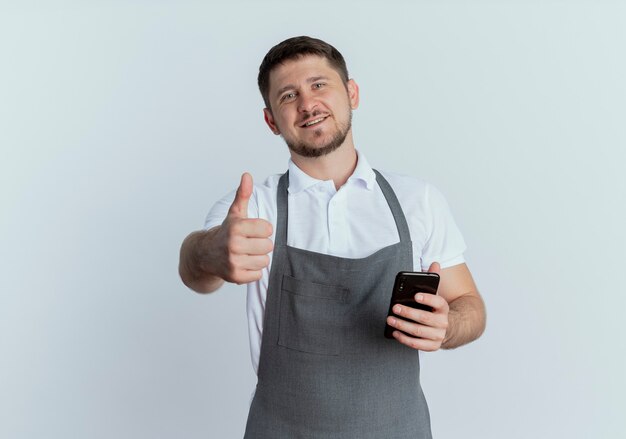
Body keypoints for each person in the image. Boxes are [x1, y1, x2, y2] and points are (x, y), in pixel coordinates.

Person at [179, 36, 486, 439]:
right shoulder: (256, 206)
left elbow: (470, 307)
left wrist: (447, 327)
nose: (308, 104)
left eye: (319, 85)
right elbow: (194, 269)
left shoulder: (417, 200)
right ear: (272, 120)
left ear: (352, 93)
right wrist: (209, 254)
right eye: (289, 95)